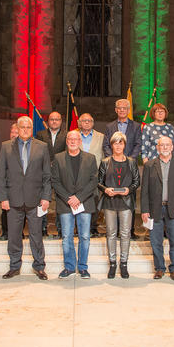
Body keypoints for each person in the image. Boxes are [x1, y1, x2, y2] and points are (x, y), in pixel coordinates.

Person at [0, 116, 51, 280]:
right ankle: (14, 266)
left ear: (31, 129)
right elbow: (0, 175)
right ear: (17, 129)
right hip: (13, 200)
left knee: (36, 235)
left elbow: (47, 175)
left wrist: (46, 197)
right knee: (13, 235)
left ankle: (39, 267)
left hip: (35, 200)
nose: (26, 130)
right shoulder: (6, 147)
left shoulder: (42, 147)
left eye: (28, 127)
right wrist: (3, 198)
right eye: (22, 127)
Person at [141, 136, 174, 281]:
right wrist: (144, 210)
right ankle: (160, 268)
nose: (165, 147)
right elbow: (144, 190)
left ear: (172, 147)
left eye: (168, 145)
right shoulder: (150, 165)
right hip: (155, 209)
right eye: (162, 145)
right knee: (156, 241)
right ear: (157, 147)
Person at [51, 130, 98, 279]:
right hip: (66, 204)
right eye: (70, 139)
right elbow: (55, 181)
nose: (72, 141)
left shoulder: (90, 158)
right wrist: (68, 198)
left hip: (84, 202)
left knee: (84, 236)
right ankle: (69, 267)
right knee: (67, 236)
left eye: (75, 139)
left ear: (80, 141)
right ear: (66, 141)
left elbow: (93, 181)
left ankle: (83, 268)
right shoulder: (58, 158)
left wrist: (79, 198)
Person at [98, 132, 140, 279]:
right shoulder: (105, 162)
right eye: (115, 143)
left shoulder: (131, 162)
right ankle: (112, 264)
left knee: (125, 234)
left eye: (120, 143)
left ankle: (123, 264)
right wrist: (105, 189)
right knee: (110, 233)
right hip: (110, 202)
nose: (118, 145)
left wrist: (129, 190)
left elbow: (136, 181)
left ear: (124, 144)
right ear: (111, 145)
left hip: (126, 202)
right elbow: (98, 182)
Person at [103, 99, 141, 239]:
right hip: (113, 166)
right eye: (119, 108)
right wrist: (113, 158)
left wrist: (128, 160)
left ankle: (129, 230)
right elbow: (106, 145)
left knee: (128, 195)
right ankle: (116, 230)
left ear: (128, 110)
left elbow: (138, 144)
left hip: (129, 166)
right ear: (116, 110)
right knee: (115, 196)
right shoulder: (109, 126)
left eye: (125, 108)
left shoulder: (136, 126)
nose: (122, 110)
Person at [36, 111, 66, 237]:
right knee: (42, 199)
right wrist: (48, 162)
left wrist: (56, 162)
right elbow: (37, 152)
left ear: (61, 121)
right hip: (44, 171)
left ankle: (60, 228)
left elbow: (67, 152)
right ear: (48, 121)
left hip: (61, 172)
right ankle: (42, 228)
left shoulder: (66, 135)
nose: (54, 121)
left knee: (61, 201)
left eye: (57, 119)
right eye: (52, 119)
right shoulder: (40, 134)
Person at [78, 113, 104, 237]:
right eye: (84, 121)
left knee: (95, 201)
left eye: (89, 120)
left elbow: (103, 156)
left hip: (96, 174)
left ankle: (93, 227)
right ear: (79, 123)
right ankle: (79, 228)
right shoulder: (74, 136)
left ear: (93, 123)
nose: (87, 123)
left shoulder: (101, 137)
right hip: (78, 175)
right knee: (79, 200)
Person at [0, 123, 19, 241]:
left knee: (20, 212)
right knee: (6, 210)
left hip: (20, 186)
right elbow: (2, 169)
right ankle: (5, 232)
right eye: (13, 132)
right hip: (8, 185)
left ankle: (18, 232)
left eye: (17, 132)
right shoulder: (5, 147)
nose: (14, 135)